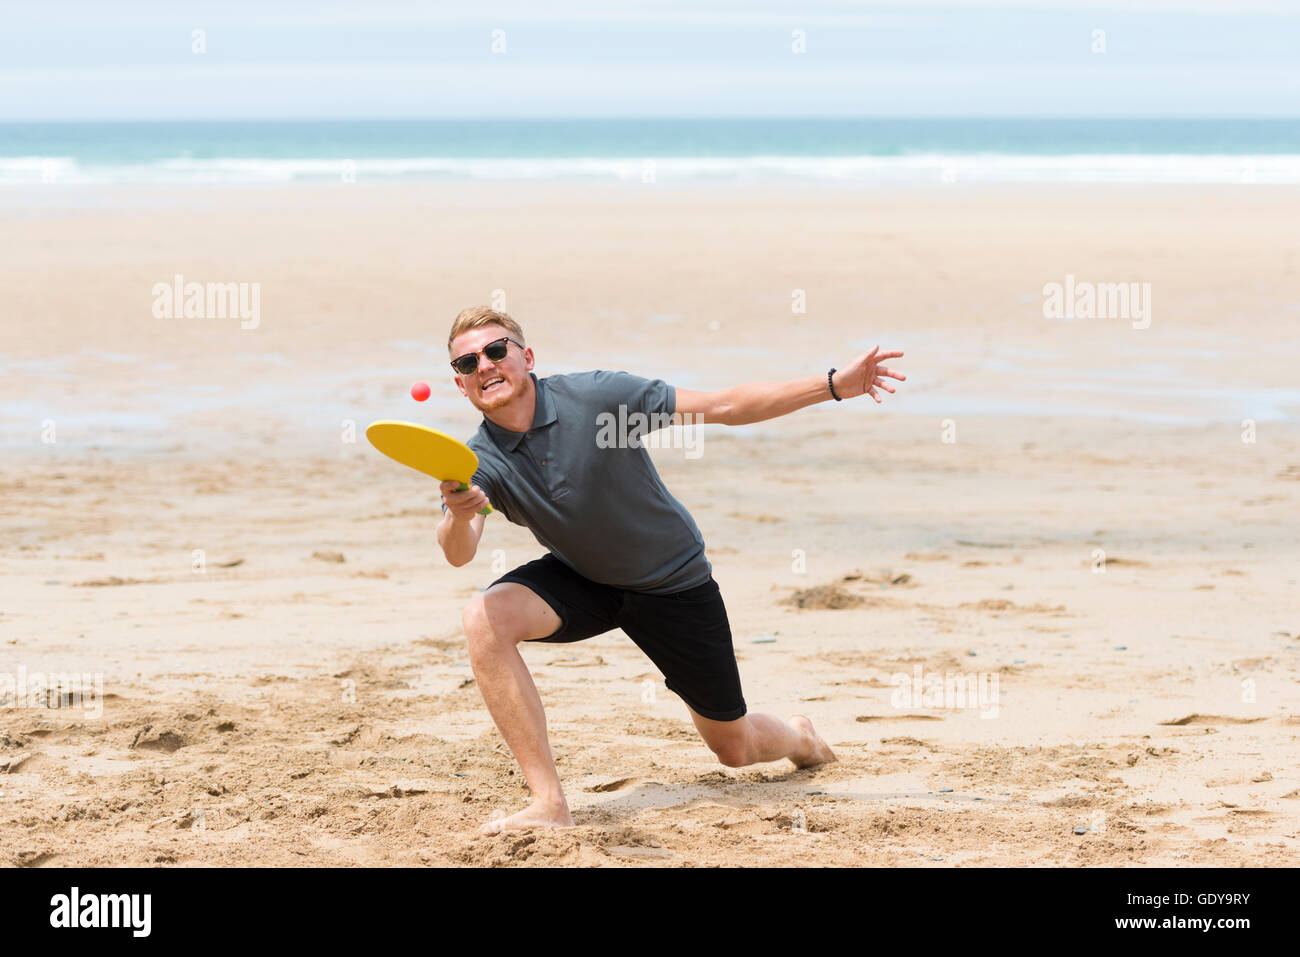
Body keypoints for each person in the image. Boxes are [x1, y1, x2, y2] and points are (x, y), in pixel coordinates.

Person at [436, 306, 906, 835]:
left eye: (496, 350)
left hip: (673, 583)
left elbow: (724, 406)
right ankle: (549, 802)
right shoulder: (479, 459)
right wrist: (458, 514)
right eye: (468, 361)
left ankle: (799, 737)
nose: (485, 365)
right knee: (484, 618)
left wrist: (834, 386)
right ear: (459, 382)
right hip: (585, 578)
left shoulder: (597, 400)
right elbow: (459, 550)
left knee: (735, 747)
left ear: (526, 357)